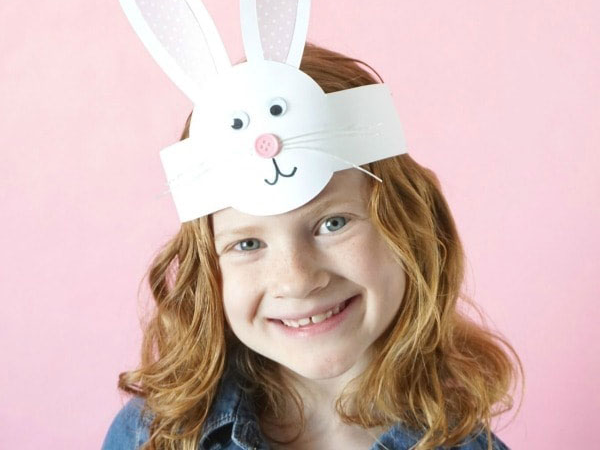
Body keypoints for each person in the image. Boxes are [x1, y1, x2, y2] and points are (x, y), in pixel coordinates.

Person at [101, 44, 523, 450]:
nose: (297, 280)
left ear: (410, 230)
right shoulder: (152, 438)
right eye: (248, 243)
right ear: (209, 270)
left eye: (332, 223)